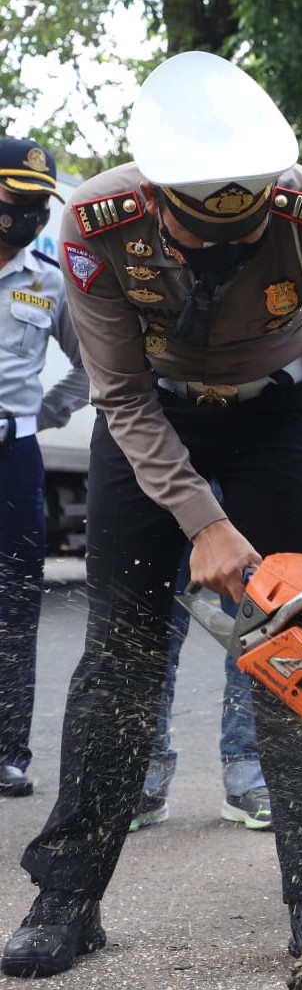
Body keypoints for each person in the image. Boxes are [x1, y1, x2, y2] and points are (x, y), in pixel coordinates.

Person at [1, 50, 302, 980]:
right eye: (202, 244)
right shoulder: (94, 222)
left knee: (299, 648)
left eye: (243, 239)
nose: (223, 257)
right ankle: (67, 897)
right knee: (118, 658)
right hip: (152, 413)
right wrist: (202, 520)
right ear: (157, 198)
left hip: (281, 414)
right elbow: (118, 393)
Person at [0, 137, 89, 798]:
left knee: (14, 605)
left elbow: (90, 367)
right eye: (17, 197)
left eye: (39, 202)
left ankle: (7, 752)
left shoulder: (49, 280)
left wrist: (42, 416)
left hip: (15, 459)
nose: (29, 213)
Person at [130, 536, 271, 832]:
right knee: (153, 628)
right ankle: (146, 776)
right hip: (165, 509)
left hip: (250, 507)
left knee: (256, 629)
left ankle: (248, 773)